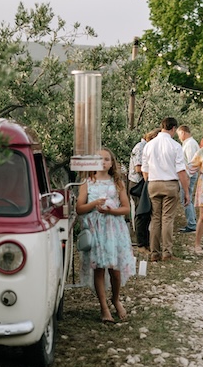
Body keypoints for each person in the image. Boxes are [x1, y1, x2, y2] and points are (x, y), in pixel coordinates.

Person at [76, 147, 134, 323]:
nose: (103, 162)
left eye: (106, 159)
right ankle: (103, 307)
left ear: (112, 163)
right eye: (99, 159)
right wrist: (94, 203)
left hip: (114, 228)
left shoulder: (117, 182)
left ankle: (115, 299)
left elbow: (126, 208)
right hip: (96, 229)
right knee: (99, 268)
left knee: (115, 270)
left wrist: (112, 211)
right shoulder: (86, 182)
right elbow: (79, 208)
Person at [142, 117, 190, 263]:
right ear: (174, 129)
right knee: (167, 219)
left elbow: (145, 169)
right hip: (170, 184)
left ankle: (154, 252)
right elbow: (181, 171)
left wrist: (149, 182)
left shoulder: (149, 145)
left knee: (155, 218)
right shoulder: (175, 146)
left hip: (153, 183)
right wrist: (186, 192)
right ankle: (167, 252)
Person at [128, 129, 157, 249]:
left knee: (145, 213)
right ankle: (141, 243)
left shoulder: (145, 147)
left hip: (143, 183)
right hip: (138, 184)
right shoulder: (140, 147)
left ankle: (146, 241)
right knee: (141, 213)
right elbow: (138, 168)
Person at [178, 123, 200, 232]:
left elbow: (192, 162)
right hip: (188, 175)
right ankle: (193, 220)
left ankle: (191, 223)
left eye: (179, 134)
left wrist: (187, 177)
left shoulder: (190, 144)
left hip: (188, 175)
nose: (178, 137)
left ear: (183, 132)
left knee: (186, 198)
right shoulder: (188, 143)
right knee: (188, 198)